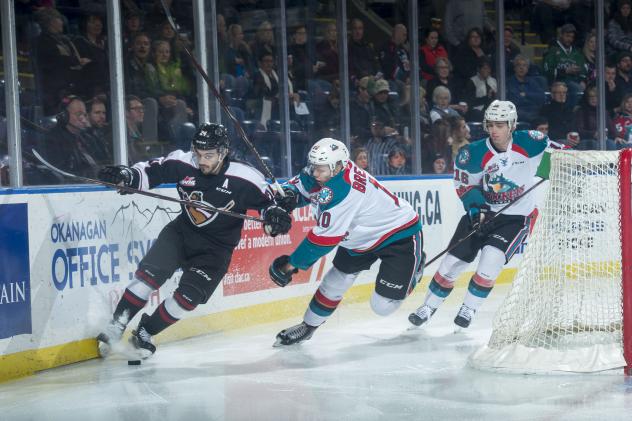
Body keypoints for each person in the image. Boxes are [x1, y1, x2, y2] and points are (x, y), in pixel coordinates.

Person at [96, 123, 292, 358]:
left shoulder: (245, 177)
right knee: (147, 279)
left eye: (209, 155)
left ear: (223, 152)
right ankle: (115, 326)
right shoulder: (183, 162)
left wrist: (276, 216)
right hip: (181, 234)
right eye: (198, 154)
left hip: (216, 250)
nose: (202, 161)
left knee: (187, 300)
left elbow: (268, 208)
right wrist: (127, 176)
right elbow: (150, 172)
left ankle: (145, 333)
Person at [268, 137, 424, 346]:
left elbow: (322, 240)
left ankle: (416, 270)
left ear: (338, 167)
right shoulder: (329, 169)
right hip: (359, 239)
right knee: (334, 281)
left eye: (321, 169)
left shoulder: (344, 190)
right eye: (314, 167)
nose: (315, 173)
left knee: (382, 306)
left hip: (398, 235)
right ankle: (309, 326)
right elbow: (302, 185)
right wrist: (289, 195)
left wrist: (290, 265)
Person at [409, 100, 550, 329]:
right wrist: (477, 209)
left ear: (511, 125)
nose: (495, 130)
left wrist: (565, 163)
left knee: (491, 261)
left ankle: (469, 308)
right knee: (452, 263)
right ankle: (428, 307)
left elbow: (558, 156)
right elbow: (465, 186)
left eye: (501, 125)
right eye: (491, 124)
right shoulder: (472, 154)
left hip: (515, 219)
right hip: (482, 214)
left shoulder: (531, 143)